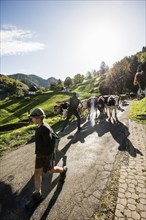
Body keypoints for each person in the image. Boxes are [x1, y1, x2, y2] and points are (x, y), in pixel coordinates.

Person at [28, 107, 67, 204]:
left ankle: (63, 170)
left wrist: (47, 157)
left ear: (38, 118)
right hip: (40, 155)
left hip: (46, 156)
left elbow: (50, 144)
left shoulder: (45, 128)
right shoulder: (40, 126)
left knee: (51, 170)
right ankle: (38, 193)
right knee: (37, 172)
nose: (31, 119)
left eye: (32, 117)